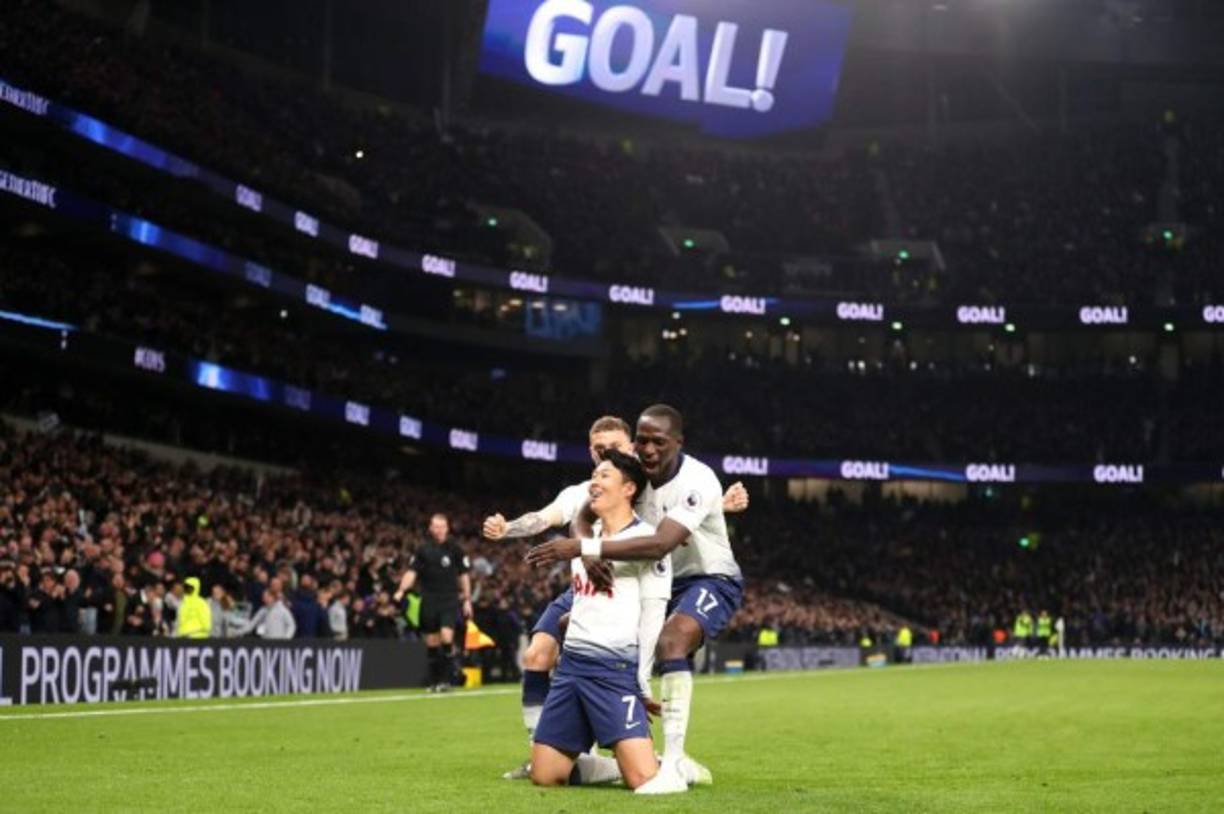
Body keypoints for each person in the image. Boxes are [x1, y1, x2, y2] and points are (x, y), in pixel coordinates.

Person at [483, 415, 749, 780]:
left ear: (629, 449)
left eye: (614, 449)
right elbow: (575, 515)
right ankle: (567, 746)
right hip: (612, 571)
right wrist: (583, 550)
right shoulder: (595, 486)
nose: (606, 456)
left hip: (689, 574)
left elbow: (661, 540)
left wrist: (718, 505)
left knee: (668, 640)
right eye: (599, 451)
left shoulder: (644, 479)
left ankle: (671, 760)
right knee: (551, 640)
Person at [530, 450, 671, 792]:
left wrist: (642, 681)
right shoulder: (585, 539)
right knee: (545, 776)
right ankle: (612, 764)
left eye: (604, 475)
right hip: (572, 668)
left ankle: (673, 766)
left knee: (644, 780)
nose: (594, 481)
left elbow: (653, 618)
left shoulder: (646, 540)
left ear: (628, 489)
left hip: (614, 671)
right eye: (594, 474)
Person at [394, 514, 472, 692]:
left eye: (442, 526)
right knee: (431, 642)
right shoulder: (422, 550)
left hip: (449, 600)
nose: (439, 530)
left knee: (446, 636)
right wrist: (401, 590)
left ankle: (446, 680)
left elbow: (464, 575)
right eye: (435, 526)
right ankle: (434, 681)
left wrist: (467, 599)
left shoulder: (455, 549)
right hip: (428, 600)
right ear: (430, 528)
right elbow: (411, 573)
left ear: (447, 528)